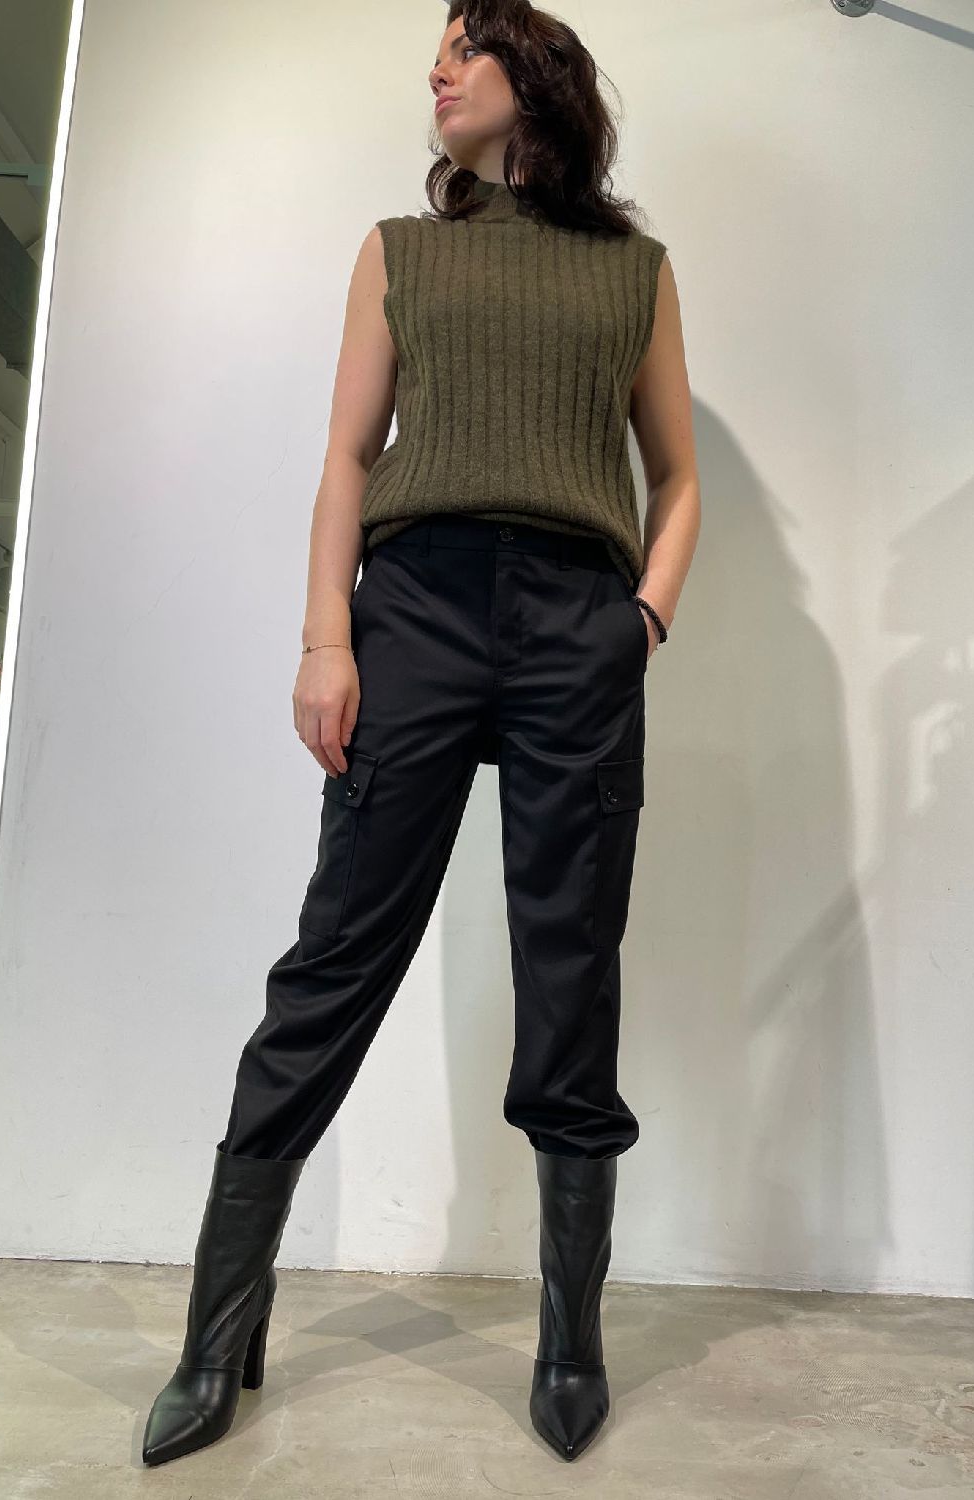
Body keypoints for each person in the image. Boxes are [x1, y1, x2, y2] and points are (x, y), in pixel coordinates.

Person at [142, 0, 699, 1470]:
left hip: (578, 622)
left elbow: (677, 475)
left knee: (570, 963)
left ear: (537, 75)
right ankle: (217, 1333)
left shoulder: (634, 271)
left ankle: (570, 1339)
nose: (437, 71)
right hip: (419, 609)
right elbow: (347, 455)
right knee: (338, 954)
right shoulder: (400, 248)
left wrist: (641, 618)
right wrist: (325, 640)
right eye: (437, 54)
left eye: (465, 46)